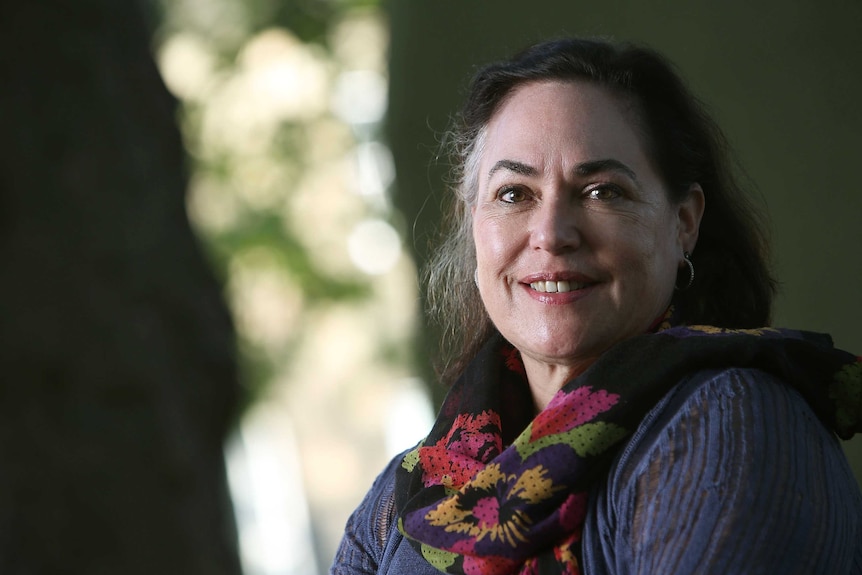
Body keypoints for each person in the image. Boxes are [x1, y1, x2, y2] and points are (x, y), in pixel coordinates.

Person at [331, 37, 862, 574]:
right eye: (514, 193)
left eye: (602, 191)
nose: (552, 234)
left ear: (684, 223)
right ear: (474, 224)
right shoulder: (408, 495)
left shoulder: (731, 421)